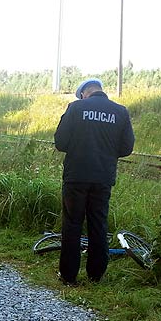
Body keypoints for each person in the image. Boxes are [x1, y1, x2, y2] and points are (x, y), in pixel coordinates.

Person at [54, 78, 135, 285]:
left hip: (76, 177)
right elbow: (126, 148)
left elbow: (60, 142)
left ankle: (68, 276)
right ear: (100, 91)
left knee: (72, 224)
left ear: (83, 94)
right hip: (103, 177)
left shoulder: (75, 108)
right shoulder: (120, 112)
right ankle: (95, 276)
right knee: (98, 224)